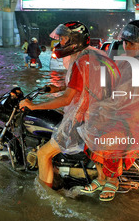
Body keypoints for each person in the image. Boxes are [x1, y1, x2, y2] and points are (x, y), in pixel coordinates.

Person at [80, 20, 139, 201]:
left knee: (110, 136)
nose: (126, 46)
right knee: (90, 123)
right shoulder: (130, 60)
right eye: (126, 42)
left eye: (130, 43)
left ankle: (113, 180)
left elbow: (137, 96)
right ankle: (101, 177)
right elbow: (113, 84)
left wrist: (107, 106)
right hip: (125, 111)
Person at [19, 21, 119, 188]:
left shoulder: (82, 61)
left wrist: (34, 106)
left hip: (85, 118)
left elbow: (66, 99)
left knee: (44, 154)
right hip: (102, 114)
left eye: (64, 38)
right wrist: (59, 87)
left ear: (75, 40)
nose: (61, 42)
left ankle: (46, 196)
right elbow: (86, 84)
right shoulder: (92, 56)